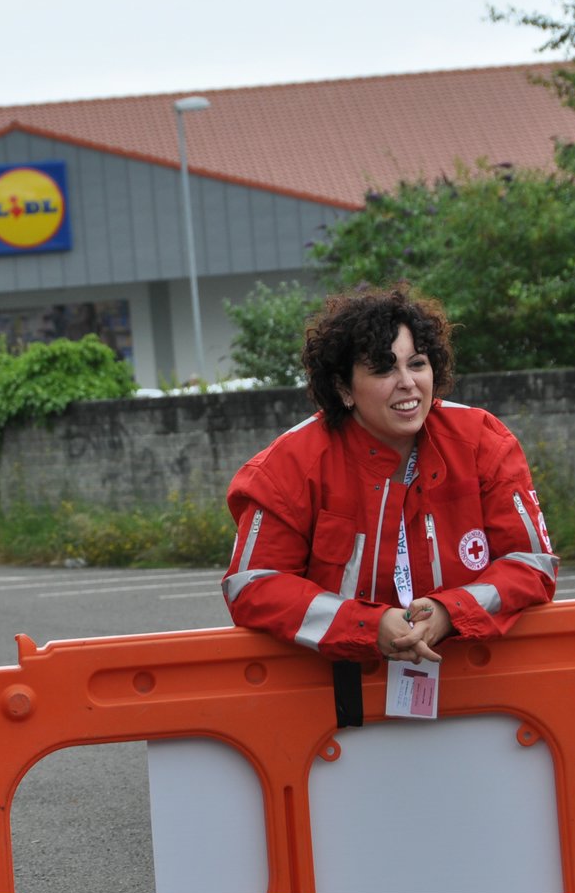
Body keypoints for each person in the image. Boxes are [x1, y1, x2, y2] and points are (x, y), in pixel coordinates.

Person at [221, 284, 556, 665]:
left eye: (417, 363)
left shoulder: (482, 441)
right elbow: (252, 586)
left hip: (475, 685)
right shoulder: (289, 465)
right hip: (336, 701)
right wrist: (367, 625)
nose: (407, 382)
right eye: (384, 368)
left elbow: (532, 565)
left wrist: (450, 612)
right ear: (343, 388)